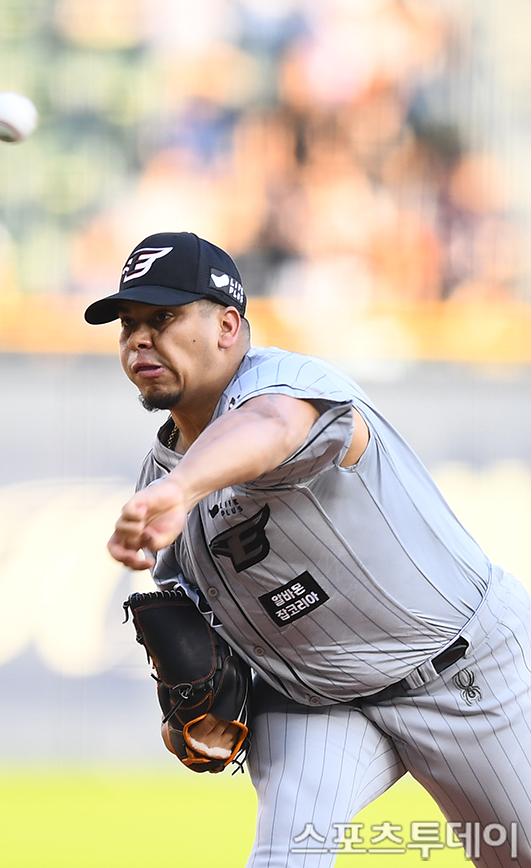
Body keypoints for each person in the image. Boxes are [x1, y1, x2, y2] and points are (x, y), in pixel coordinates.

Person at [85, 231, 531, 867]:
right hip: (315, 702)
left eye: (163, 318)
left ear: (227, 327)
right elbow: (198, 618)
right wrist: (196, 715)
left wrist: (183, 488)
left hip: (462, 675)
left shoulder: (289, 383)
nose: (139, 340)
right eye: (128, 324)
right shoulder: (159, 476)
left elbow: (268, 427)